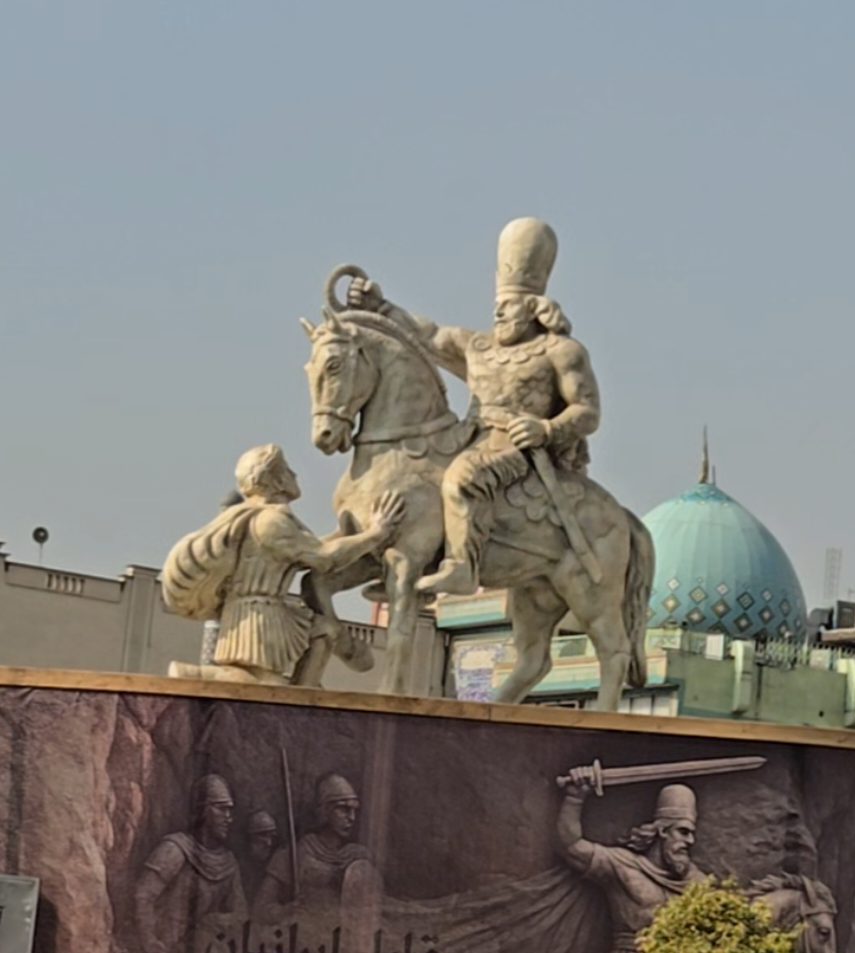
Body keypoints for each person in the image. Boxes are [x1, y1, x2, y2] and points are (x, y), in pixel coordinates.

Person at [347, 217, 600, 596]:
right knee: (416, 482)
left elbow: (587, 410)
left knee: (462, 478)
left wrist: (546, 429)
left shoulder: (561, 352)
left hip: (517, 447)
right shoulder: (477, 347)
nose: (498, 312)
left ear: (534, 308)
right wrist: (380, 306)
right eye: (497, 304)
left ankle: (462, 567)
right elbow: (427, 334)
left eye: (509, 305)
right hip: (468, 436)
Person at [162, 444, 404, 683]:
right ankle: (197, 676)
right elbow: (324, 558)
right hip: (258, 614)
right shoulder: (270, 521)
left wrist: (348, 536)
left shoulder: (263, 516)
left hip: (259, 609)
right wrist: (377, 533)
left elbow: (304, 550)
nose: (294, 475)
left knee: (324, 631)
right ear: (275, 481)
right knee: (260, 683)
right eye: (287, 470)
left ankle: (304, 694)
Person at [557, 769, 705, 953]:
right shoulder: (623, 866)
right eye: (683, 831)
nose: (690, 841)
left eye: (692, 833)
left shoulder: (697, 883)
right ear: (662, 831)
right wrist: (574, 798)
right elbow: (571, 847)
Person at [135, 774, 246, 953]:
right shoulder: (175, 848)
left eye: (231, 809)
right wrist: (149, 940)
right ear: (202, 809)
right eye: (222, 808)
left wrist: (215, 923)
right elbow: (144, 895)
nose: (228, 816)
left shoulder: (228, 863)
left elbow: (242, 915)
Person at [256, 774, 371, 914]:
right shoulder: (292, 855)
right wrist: (287, 911)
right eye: (343, 809)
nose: (351, 818)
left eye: (354, 810)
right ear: (324, 810)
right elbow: (261, 909)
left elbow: (374, 905)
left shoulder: (359, 855)